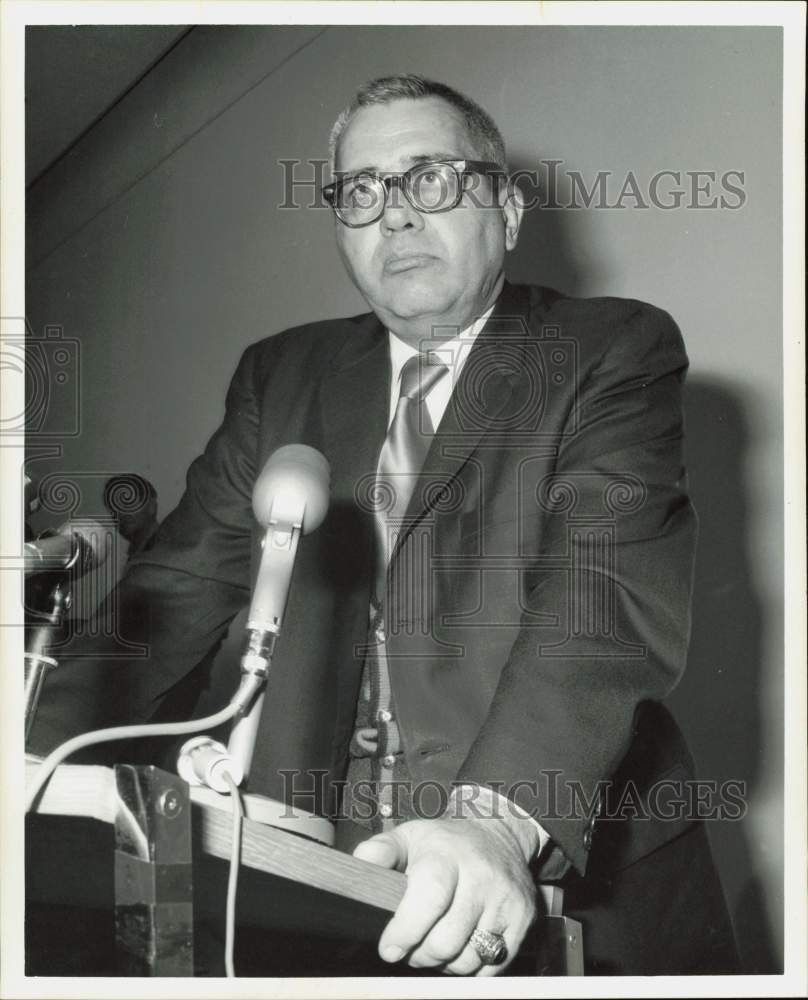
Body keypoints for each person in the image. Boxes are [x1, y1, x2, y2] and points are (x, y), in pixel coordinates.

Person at [29, 75, 739, 976]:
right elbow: (171, 595)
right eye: (360, 190)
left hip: (574, 876)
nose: (393, 216)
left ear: (510, 211)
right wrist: (28, 740)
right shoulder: (282, 374)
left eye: (431, 178)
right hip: (333, 886)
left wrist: (492, 820)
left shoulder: (611, 347)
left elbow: (599, 595)